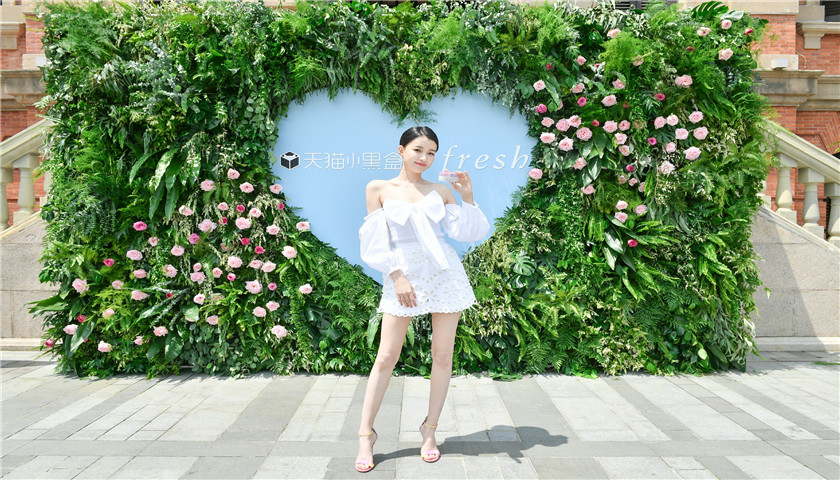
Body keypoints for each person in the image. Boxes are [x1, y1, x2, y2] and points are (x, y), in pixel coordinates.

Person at [354, 126, 491, 473]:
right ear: (401, 150)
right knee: (386, 356)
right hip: (403, 273)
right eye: (418, 150)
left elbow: (466, 232)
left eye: (431, 153)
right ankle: (365, 435)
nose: (424, 158)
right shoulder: (378, 188)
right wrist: (397, 276)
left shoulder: (440, 190)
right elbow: (374, 243)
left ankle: (429, 431)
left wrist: (467, 197)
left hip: (444, 273)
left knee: (442, 356)